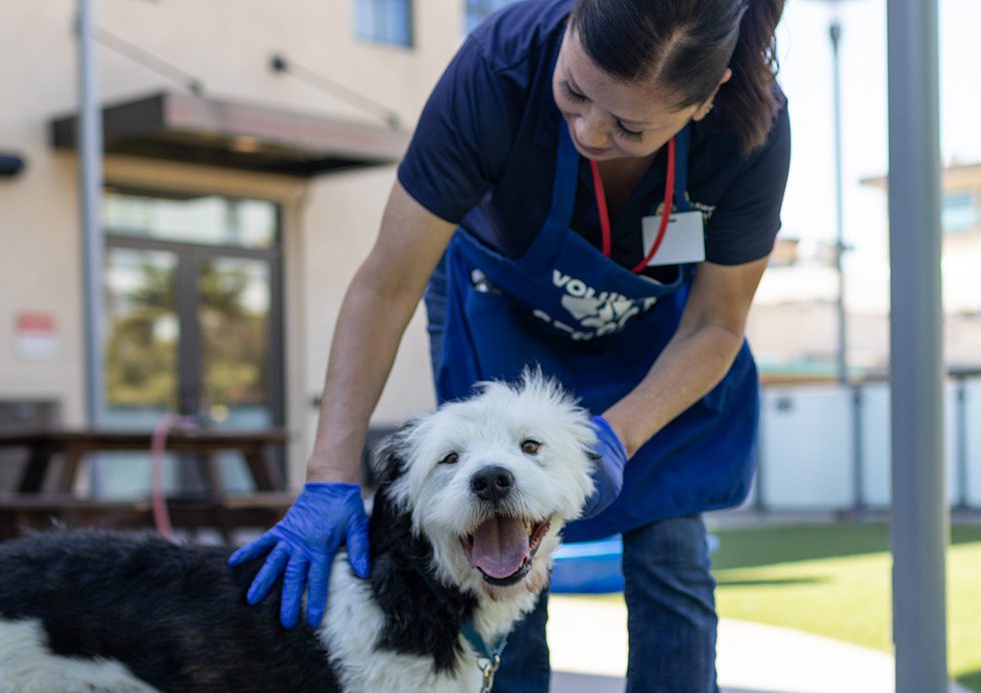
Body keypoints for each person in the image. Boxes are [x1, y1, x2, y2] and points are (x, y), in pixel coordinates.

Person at [229, 0, 790, 690]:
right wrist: (329, 473)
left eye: (628, 125)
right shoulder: (497, 72)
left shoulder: (748, 132)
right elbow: (386, 283)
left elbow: (716, 325)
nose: (587, 128)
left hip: (660, 343)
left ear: (704, 102)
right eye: (575, 92)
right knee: (499, 559)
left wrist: (617, 435)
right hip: (501, 312)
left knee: (670, 550)